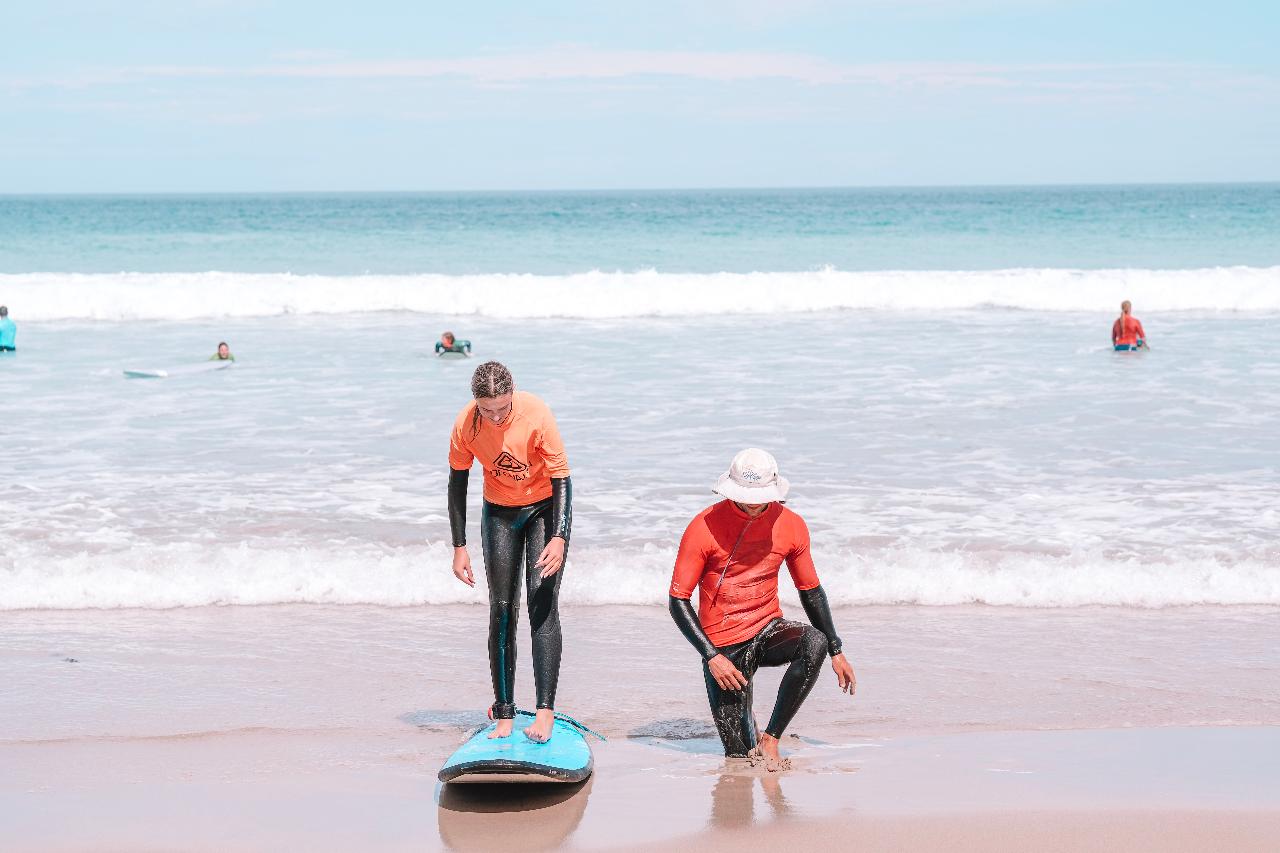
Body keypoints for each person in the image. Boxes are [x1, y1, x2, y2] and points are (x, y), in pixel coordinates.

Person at [669, 448, 855, 771]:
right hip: (723, 649)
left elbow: (810, 590)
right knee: (739, 758)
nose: (754, 504)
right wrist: (712, 656)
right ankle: (747, 722)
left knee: (815, 642)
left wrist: (836, 650)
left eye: (761, 497)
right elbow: (677, 601)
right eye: (745, 497)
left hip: (768, 628)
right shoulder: (703, 527)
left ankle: (771, 738)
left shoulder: (791, 525)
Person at [447, 361, 572, 743]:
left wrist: (560, 536)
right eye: (488, 410)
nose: (497, 416)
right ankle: (504, 714)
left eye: (503, 408)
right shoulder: (466, 425)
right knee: (501, 609)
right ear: (476, 404)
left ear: (512, 393)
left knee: (541, 602)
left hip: (544, 511)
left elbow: (563, 479)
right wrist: (459, 546)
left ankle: (544, 712)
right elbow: (457, 483)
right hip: (499, 514)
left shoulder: (537, 414)